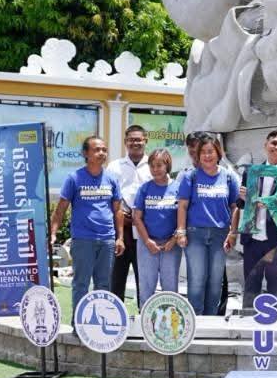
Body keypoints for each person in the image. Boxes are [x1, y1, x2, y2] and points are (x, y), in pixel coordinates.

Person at [51, 136, 123, 309]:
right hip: (83, 239)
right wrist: (53, 234)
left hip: (107, 240)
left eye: (104, 150)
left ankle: (100, 322)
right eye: (97, 150)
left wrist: (120, 238)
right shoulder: (74, 178)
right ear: (85, 153)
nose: (102, 153)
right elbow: (61, 209)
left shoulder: (112, 179)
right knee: (81, 284)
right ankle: (78, 322)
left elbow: (117, 210)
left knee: (104, 284)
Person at [237, 129, 277, 308]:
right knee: (251, 286)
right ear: (266, 144)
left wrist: (269, 203)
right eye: (274, 143)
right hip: (252, 239)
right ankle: (248, 322)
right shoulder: (251, 171)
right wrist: (243, 197)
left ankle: (275, 324)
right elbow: (241, 204)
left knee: (275, 286)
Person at [176, 133, 240, 315]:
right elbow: (182, 206)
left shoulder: (229, 177)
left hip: (220, 235)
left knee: (215, 281)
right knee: (197, 279)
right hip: (195, 234)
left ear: (218, 153)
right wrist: (181, 231)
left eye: (210, 151)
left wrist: (233, 233)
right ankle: (196, 319)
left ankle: (211, 318)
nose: (207, 155)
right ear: (198, 155)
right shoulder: (190, 177)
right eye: (203, 152)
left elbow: (235, 206)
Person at [105, 125, 150, 304]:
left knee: (144, 280)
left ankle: (143, 315)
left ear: (145, 141)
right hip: (120, 231)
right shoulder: (114, 166)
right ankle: (114, 315)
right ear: (125, 142)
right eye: (131, 140)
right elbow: (107, 195)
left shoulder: (154, 164)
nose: (135, 143)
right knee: (116, 278)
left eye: (138, 139)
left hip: (145, 231)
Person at [132, 149, 182, 302]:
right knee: (146, 287)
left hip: (171, 245)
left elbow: (183, 217)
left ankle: (171, 315)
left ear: (167, 165)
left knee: (170, 288)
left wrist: (173, 240)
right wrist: (147, 241)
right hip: (147, 244)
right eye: (152, 166)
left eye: (159, 165)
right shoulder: (144, 188)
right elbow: (137, 217)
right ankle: (144, 316)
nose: (155, 169)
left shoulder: (179, 188)